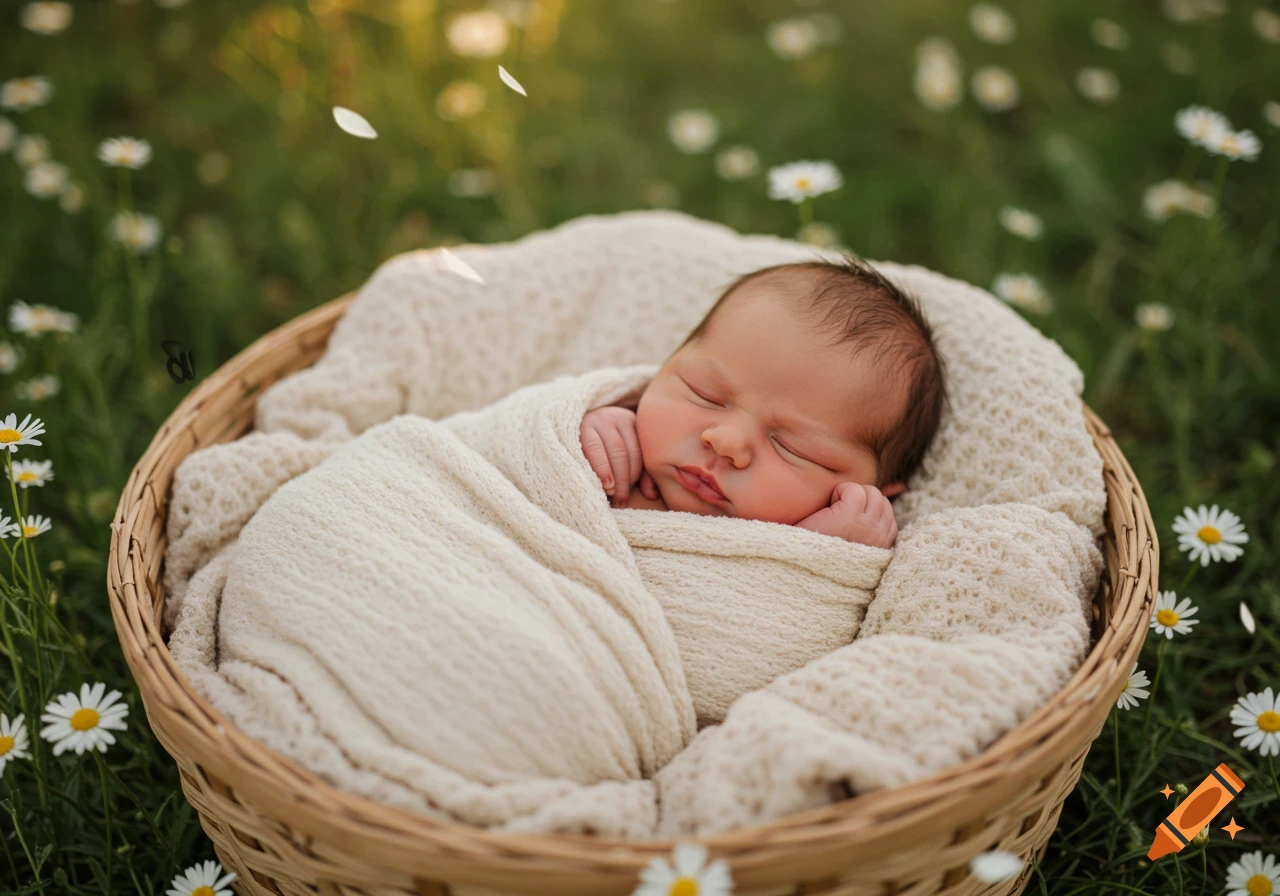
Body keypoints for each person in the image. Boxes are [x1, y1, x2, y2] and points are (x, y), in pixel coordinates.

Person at [579, 253, 950, 548]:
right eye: (704, 394)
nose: (726, 443)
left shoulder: (832, 541)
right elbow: (529, 448)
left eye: (793, 448)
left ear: (877, 493)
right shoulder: (609, 433)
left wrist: (822, 556)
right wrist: (581, 430)